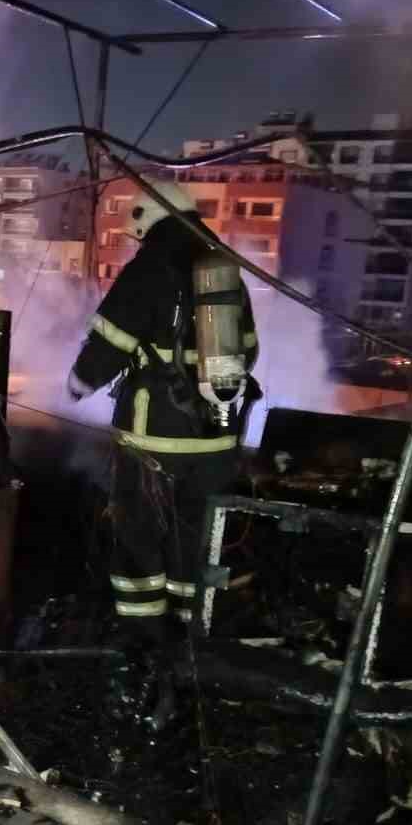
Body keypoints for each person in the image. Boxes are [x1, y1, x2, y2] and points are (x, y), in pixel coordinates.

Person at [67, 183, 259, 712]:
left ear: (146, 220)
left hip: (153, 441)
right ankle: (188, 634)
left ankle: (141, 641)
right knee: (193, 536)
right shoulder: (223, 266)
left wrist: (78, 384)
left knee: (138, 532)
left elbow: (108, 342)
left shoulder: (152, 265)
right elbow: (249, 350)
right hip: (217, 437)